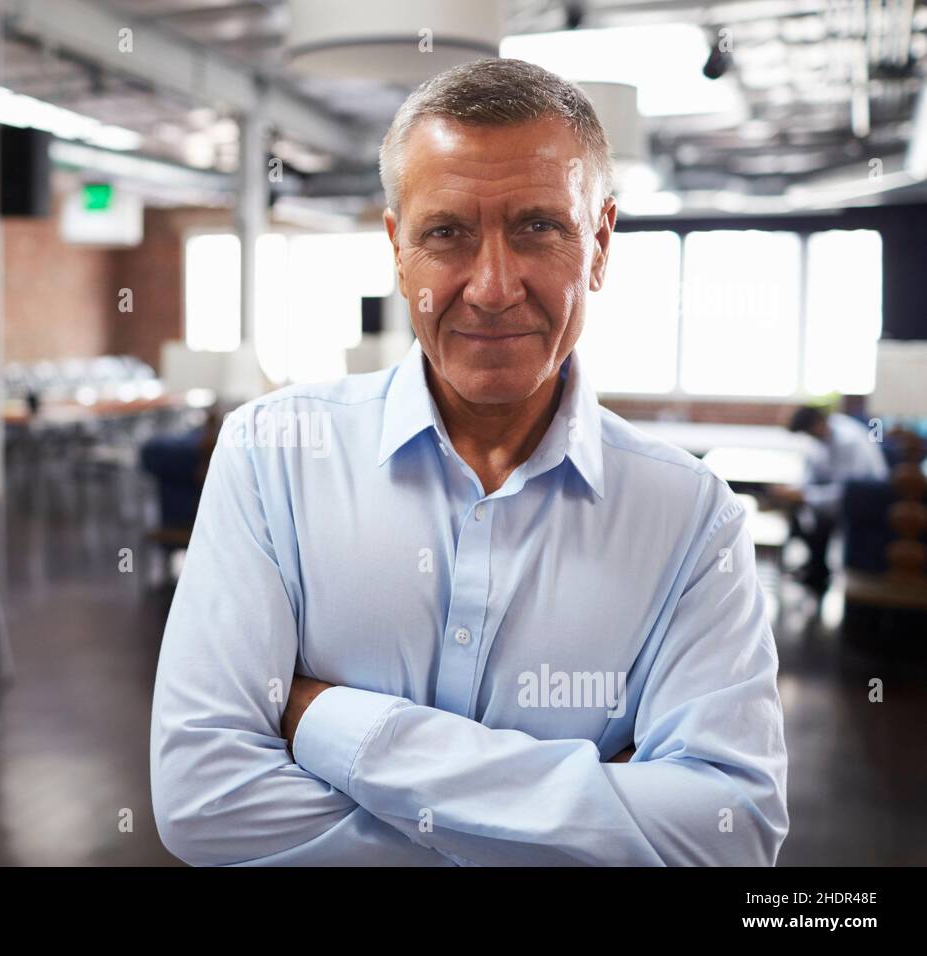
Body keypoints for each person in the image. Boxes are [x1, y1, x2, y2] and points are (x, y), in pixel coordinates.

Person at [149, 58, 789, 866]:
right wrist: (597, 816)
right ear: (398, 250)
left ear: (598, 245)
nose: (491, 287)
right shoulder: (271, 456)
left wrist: (329, 724)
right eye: (447, 232)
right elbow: (204, 803)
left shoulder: (694, 519)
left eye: (538, 227)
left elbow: (726, 834)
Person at [772, 405, 889, 593]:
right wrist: (798, 491)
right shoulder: (823, 435)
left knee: (819, 514)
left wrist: (806, 496)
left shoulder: (847, 441)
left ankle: (818, 574)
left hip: (868, 499)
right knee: (802, 510)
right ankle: (815, 568)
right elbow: (815, 471)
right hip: (847, 492)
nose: (809, 438)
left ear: (818, 423)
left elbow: (847, 493)